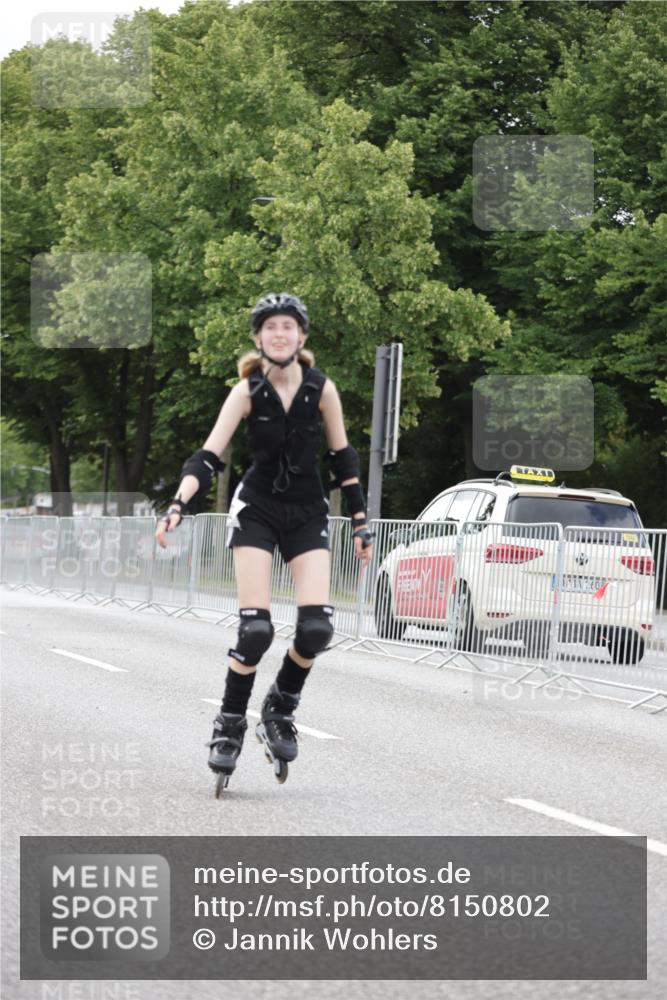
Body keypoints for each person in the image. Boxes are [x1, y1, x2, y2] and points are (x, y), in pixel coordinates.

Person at [155, 292, 373, 793]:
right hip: (256, 509)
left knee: (316, 627)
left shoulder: (323, 389)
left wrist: (361, 522)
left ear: (302, 336)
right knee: (256, 631)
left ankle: (280, 706)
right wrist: (176, 506)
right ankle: (230, 722)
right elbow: (208, 455)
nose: (279, 334)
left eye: (288, 326)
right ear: (259, 337)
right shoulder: (247, 391)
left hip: (306, 512)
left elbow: (343, 459)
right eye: (270, 327)